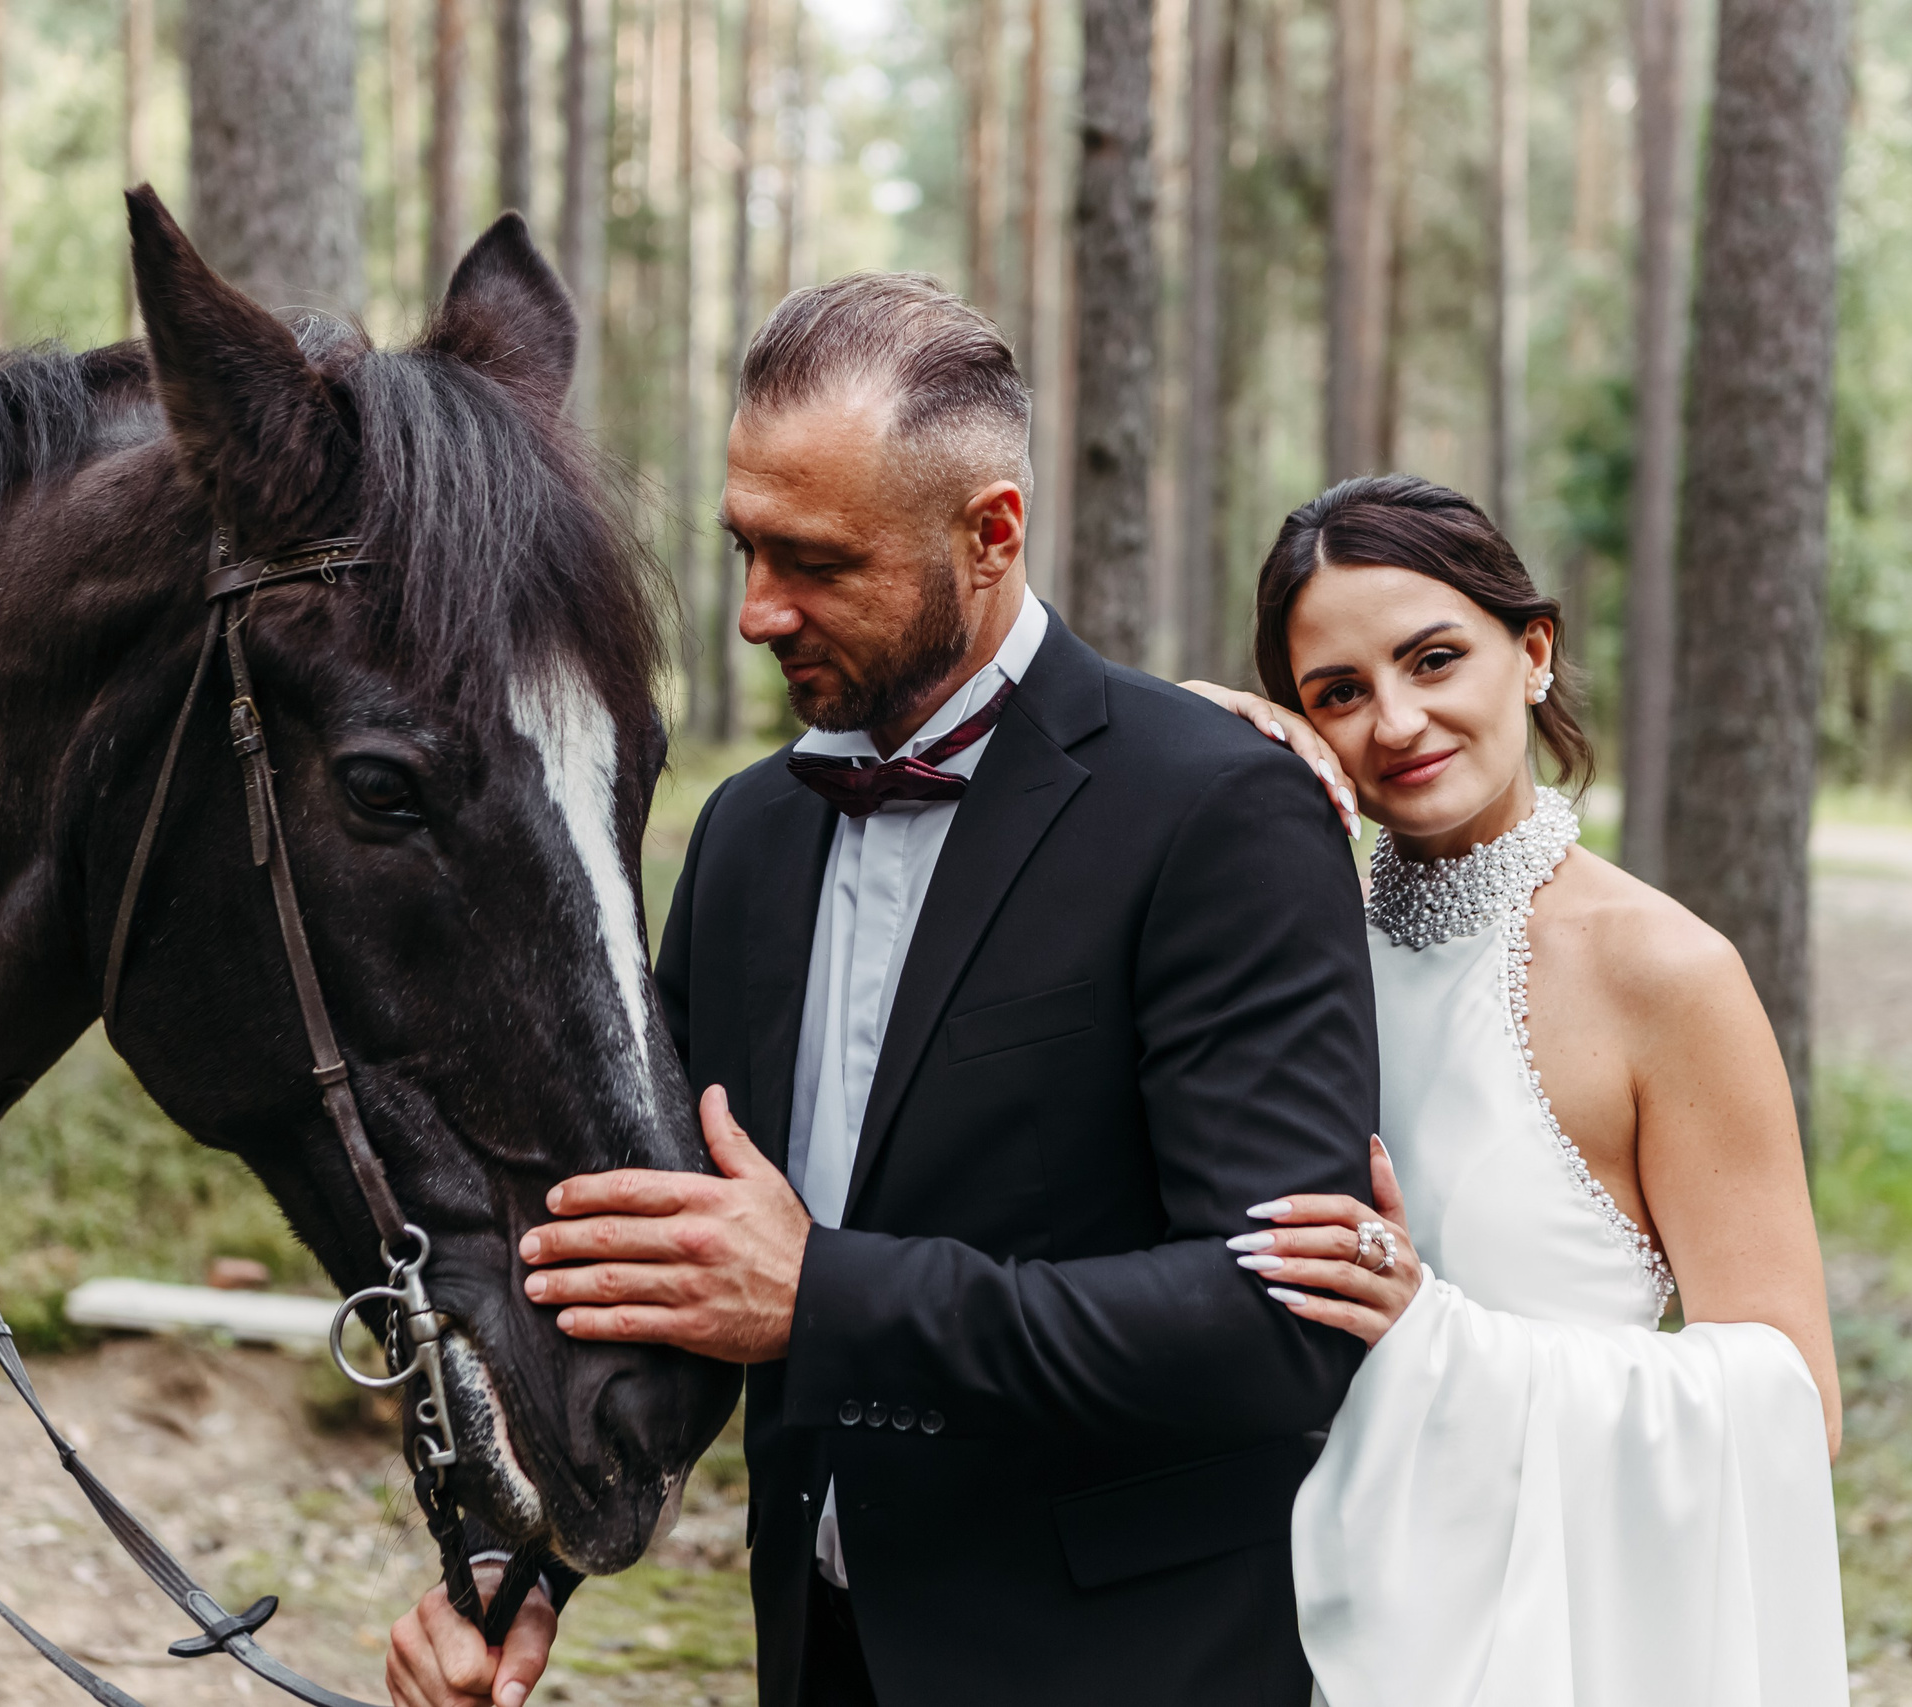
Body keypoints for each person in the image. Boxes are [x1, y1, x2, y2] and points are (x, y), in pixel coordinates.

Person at [390, 272, 1378, 1705]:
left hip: (1128, 1664)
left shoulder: (1217, 813)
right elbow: (661, 1262)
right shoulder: (743, 835)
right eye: (743, 548)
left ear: (990, 534)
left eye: (816, 561)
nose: (754, 612)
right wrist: (516, 1564)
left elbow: (1276, 1327)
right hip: (820, 1651)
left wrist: (826, 1293)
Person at [1183, 473, 1849, 1707]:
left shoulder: (1667, 974)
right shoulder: (1279, 948)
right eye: (1337, 692)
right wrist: (1186, 742)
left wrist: (1438, 1335)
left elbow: (1792, 1406)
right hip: (1259, 1622)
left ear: (1531, 653)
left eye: (1433, 659)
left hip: (1527, 1640)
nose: (1394, 721)